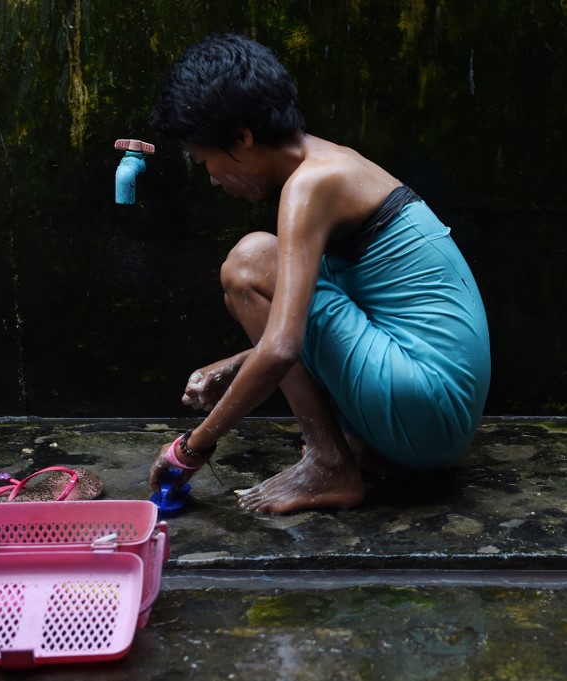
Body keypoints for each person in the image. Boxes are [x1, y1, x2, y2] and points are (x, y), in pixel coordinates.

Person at [147, 33, 490, 514]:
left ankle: (330, 464)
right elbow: (328, 320)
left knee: (249, 263)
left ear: (242, 139)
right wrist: (237, 365)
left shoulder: (310, 186)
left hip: (430, 406)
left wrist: (191, 449)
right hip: (434, 418)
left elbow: (285, 344)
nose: (212, 178)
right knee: (259, 278)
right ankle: (351, 453)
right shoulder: (328, 162)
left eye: (207, 161)